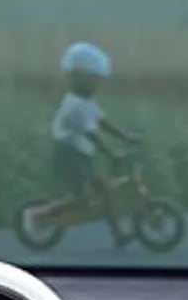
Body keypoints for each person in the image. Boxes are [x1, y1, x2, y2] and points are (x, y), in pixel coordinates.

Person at [49, 42, 142, 239]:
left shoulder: (86, 102)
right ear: (77, 78)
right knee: (80, 199)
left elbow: (102, 121)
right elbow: (92, 134)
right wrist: (111, 154)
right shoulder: (74, 106)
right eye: (94, 80)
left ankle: (119, 234)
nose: (98, 86)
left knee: (106, 192)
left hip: (82, 155)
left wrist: (125, 136)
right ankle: (38, 215)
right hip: (69, 157)